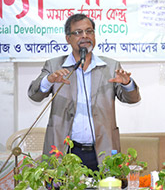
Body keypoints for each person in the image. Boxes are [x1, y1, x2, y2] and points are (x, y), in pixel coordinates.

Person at [28, 13, 141, 171]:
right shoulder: (54, 66)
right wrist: (49, 80)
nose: (85, 36)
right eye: (78, 32)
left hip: (102, 151)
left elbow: (133, 99)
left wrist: (127, 84)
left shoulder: (110, 66)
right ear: (68, 38)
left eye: (89, 31)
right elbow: (34, 95)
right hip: (64, 150)